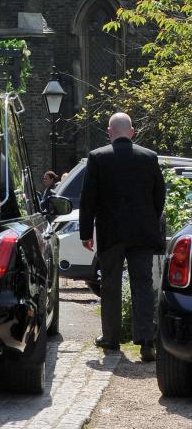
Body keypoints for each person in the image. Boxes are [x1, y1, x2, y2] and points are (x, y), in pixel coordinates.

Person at [79, 112, 165, 360]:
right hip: (142, 232)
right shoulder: (149, 157)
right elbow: (159, 196)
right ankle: (147, 341)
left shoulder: (97, 157)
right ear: (132, 131)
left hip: (111, 231)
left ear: (109, 132)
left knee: (110, 285)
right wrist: (149, 219)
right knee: (143, 285)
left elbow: (88, 199)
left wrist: (87, 232)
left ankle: (112, 339)